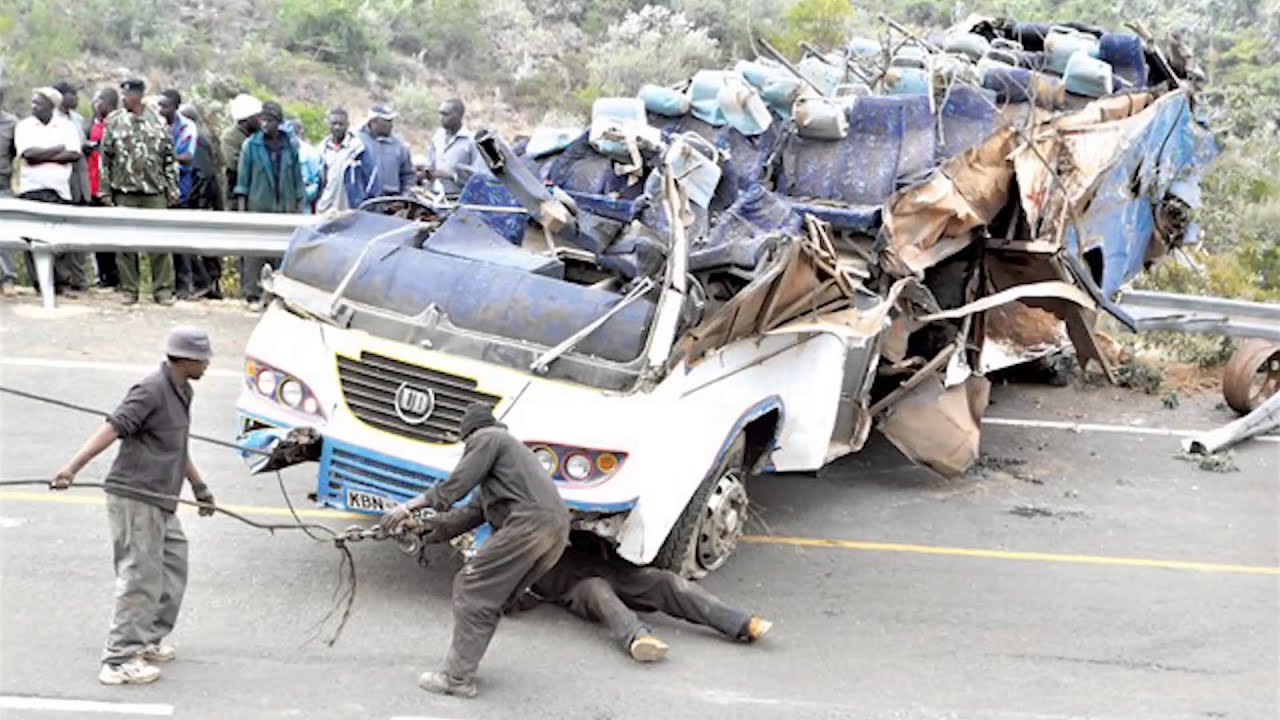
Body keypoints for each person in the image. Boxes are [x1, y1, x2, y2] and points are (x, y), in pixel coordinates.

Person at [51, 327, 217, 686]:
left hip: (162, 499)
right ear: (185, 359)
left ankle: (148, 637)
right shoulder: (150, 390)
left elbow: (176, 447)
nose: (208, 364)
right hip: (135, 496)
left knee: (173, 566)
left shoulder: (182, 391)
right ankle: (120, 659)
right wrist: (72, 469)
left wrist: (199, 485)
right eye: (203, 358)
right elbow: (112, 428)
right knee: (140, 574)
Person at [379, 404, 570, 698]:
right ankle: (464, 667)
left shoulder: (489, 437)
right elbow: (468, 515)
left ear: (469, 436)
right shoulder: (506, 468)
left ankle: (457, 678)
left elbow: (456, 484)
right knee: (490, 598)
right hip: (553, 531)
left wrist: (409, 506)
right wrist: (421, 528)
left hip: (529, 525)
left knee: (473, 588)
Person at [98, 78, 179, 306]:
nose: (124, 98)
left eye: (128, 94)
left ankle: (162, 290)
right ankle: (129, 290)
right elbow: (106, 158)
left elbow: (169, 158)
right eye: (122, 94)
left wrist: (172, 187)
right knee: (125, 245)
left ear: (139, 95)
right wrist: (104, 190)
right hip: (125, 190)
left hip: (154, 191)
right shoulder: (114, 121)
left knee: (160, 244)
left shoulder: (157, 121)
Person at [232, 101, 301, 311]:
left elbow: (297, 180)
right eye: (262, 120)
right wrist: (243, 212)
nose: (265, 124)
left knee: (282, 254)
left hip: (285, 206)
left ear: (279, 123)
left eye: (270, 120)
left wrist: (298, 206)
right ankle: (252, 294)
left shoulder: (290, 146)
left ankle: (276, 295)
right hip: (259, 205)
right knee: (255, 254)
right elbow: (243, 183)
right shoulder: (251, 146)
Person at [14, 87, 84, 296]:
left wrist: (42, 156)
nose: (33, 106)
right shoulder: (25, 126)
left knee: (58, 237)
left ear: (51, 105)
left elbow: (73, 154)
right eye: (32, 102)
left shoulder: (66, 126)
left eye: (38, 103)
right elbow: (28, 154)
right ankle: (39, 284)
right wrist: (55, 150)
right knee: (31, 237)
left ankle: (59, 283)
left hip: (58, 190)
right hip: (31, 188)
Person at [158, 90, 203, 301]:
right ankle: (167, 284)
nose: (161, 110)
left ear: (175, 106)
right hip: (159, 188)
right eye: (159, 105)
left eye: (165, 106)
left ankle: (186, 284)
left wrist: (165, 157)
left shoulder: (187, 127)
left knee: (180, 240)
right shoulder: (156, 124)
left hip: (181, 188)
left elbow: (187, 156)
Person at [177, 104, 225, 299]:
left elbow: (203, 173)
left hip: (200, 198)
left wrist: (194, 198)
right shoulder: (205, 137)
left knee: (191, 242)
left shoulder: (196, 140)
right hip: (207, 196)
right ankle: (210, 284)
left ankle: (204, 282)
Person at [53, 80, 91, 292]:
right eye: (72, 94)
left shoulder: (77, 120)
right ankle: (62, 278)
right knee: (60, 232)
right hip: (62, 180)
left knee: (79, 233)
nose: (76, 99)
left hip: (80, 179)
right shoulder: (53, 120)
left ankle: (79, 278)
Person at [87, 87, 121, 290]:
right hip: (93, 185)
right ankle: (104, 276)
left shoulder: (118, 124)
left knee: (115, 235)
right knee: (96, 235)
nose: (94, 104)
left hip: (112, 187)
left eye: (98, 100)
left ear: (108, 103)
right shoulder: (92, 124)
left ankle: (118, 276)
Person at [423, 98, 482, 199]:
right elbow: (430, 165)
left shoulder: (471, 142)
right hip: (434, 197)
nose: (441, 118)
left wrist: (451, 175)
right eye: (440, 114)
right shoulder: (437, 137)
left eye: (445, 114)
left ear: (458, 116)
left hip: (459, 199)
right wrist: (425, 173)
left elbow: (479, 177)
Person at [315, 107, 371, 213]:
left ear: (347, 125)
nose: (337, 127)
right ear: (329, 125)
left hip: (350, 209)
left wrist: (362, 202)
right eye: (334, 123)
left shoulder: (358, 149)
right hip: (325, 208)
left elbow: (371, 179)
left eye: (341, 124)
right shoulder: (322, 150)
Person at [357, 104, 414, 199]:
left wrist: (404, 197)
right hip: (363, 199)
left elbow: (408, 176)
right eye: (387, 121)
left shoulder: (399, 146)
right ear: (373, 121)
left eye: (391, 121)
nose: (391, 124)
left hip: (392, 201)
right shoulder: (356, 142)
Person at [220, 93, 262, 209]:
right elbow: (234, 164)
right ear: (247, 119)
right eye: (257, 117)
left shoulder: (260, 136)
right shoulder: (230, 137)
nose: (261, 120)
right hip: (236, 193)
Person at [0, 81, 20, 297]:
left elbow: (16, 153)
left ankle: (7, 279)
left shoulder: (11, 123)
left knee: (4, 236)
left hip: (2, 185)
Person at [284, 118, 322, 214]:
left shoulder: (310, 153)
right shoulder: (279, 151)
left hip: (304, 209)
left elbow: (317, 183)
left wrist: (302, 195)